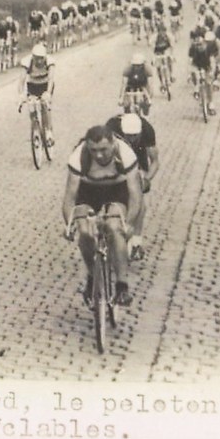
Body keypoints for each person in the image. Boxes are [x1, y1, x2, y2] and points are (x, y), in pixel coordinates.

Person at [61, 125, 144, 308]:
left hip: (116, 191)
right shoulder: (78, 156)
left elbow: (135, 195)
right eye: (94, 150)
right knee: (84, 232)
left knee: (115, 228)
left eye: (103, 150)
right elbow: (69, 197)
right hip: (88, 190)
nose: (98, 155)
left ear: (113, 144)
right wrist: (69, 224)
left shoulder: (126, 154)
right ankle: (92, 276)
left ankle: (122, 287)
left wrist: (129, 224)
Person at [120, 49, 153, 114]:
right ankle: (127, 109)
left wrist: (149, 96)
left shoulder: (147, 69)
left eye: (139, 65)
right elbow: (124, 83)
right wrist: (121, 98)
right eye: (135, 65)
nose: (137, 67)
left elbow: (150, 84)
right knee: (126, 104)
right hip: (130, 83)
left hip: (142, 83)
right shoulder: (127, 69)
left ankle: (144, 107)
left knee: (147, 104)